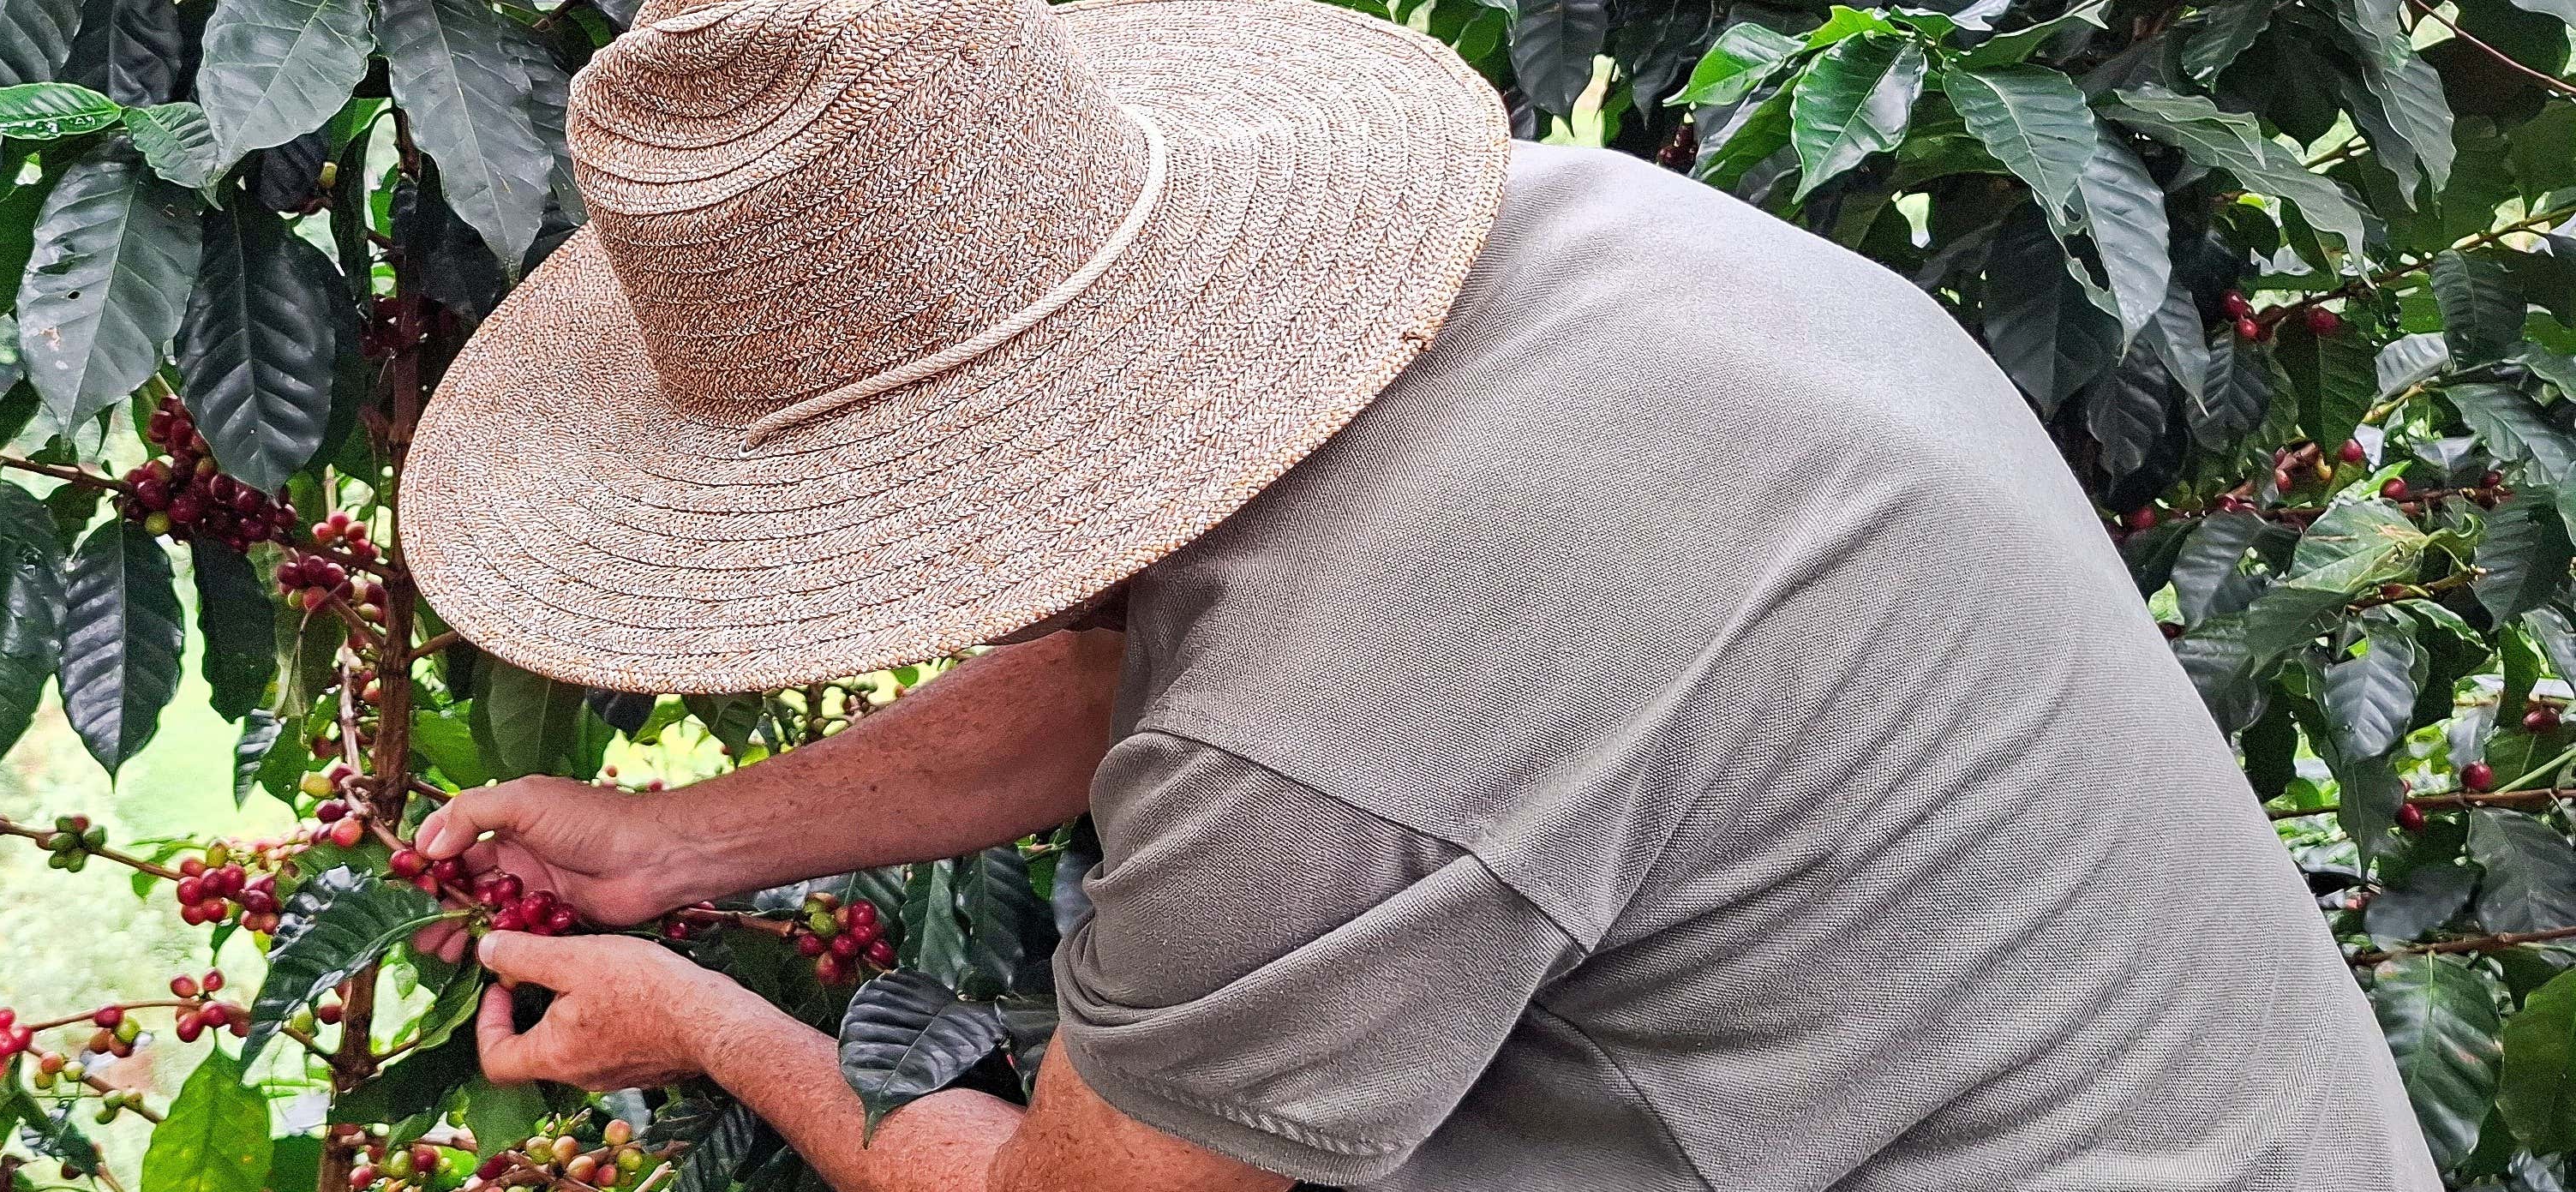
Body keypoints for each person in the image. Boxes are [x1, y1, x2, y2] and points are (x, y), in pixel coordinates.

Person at [386, 0, 2441, 1186]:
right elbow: (1155, 655)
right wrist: (688, 840)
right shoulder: (1552, 250)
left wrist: (718, 1026)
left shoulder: (1317, 726)